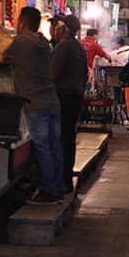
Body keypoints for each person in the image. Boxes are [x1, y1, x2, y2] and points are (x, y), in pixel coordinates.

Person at [5, 7, 64, 205]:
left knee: (42, 147)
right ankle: (58, 187)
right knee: (54, 146)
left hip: (35, 103)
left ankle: (49, 191)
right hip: (52, 101)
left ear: (22, 21)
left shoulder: (20, 42)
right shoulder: (44, 43)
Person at [50, 14, 87, 193]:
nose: (55, 28)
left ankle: (62, 180)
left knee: (63, 138)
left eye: (57, 25)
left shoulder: (64, 47)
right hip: (75, 97)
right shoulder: (77, 47)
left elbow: (52, 74)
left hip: (64, 97)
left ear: (64, 29)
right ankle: (65, 177)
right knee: (68, 137)